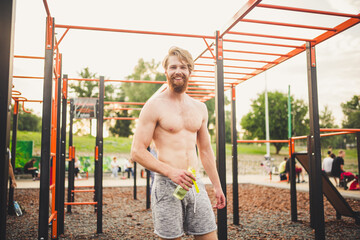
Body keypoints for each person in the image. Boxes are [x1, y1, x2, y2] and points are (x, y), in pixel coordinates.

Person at [131, 46, 226, 239]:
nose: (178, 71)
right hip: (167, 185)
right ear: (165, 71)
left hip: (195, 183)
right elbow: (137, 151)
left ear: (190, 71)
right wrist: (170, 172)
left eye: (183, 67)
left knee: (209, 235)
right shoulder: (154, 105)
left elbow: (206, 151)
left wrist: (217, 186)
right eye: (173, 67)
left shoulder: (200, 108)